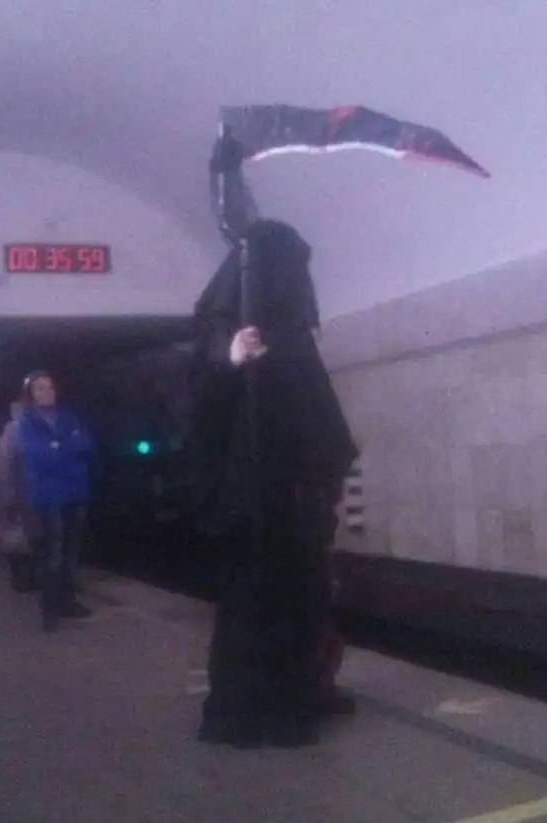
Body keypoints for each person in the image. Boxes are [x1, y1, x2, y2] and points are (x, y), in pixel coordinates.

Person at [188, 219, 359, 749]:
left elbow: (318, 413)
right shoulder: (226, 331)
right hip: (258, 500)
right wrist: (233, 358)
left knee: (294, 600)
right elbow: (204, 407)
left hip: (289, 499)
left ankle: (294, 699)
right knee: (262, 602)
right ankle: (258, 711)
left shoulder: (289, 335)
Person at [17, 371, 95, 632]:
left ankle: (67, 601)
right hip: (49, 497)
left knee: (72, 551)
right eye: (40, 388)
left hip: (76, 492)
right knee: (53, 553)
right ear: (31, 394)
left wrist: (58, 447)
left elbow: (87, 445)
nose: (47, 392)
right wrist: (67, 446)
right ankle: (49, 609)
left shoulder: (69, 416)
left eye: (50, 387)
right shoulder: (27, 422)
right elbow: (38, 458)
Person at [0, 399, 43, 592]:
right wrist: (10, 499)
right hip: (23, 497)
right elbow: (6, 469)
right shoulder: (17, 433)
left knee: (22, 539)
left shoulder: (9, 434)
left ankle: (24, 579)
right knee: (23, 539)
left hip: (24, 496)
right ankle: (24, 579)